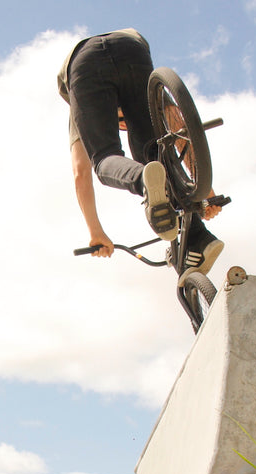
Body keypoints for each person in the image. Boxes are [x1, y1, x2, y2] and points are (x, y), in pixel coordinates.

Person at [58, 29, 223, 284]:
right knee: (153, 149)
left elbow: (82, 172)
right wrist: (203, 185)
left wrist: (96, 232)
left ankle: (144, 181)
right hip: (131, 47)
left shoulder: (83, 104)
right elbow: (180, 129)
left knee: (104, 159)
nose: (122, 124)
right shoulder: (86, 105)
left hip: (84, 64)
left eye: (121, 121)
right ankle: (200, 237)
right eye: (119, 122)